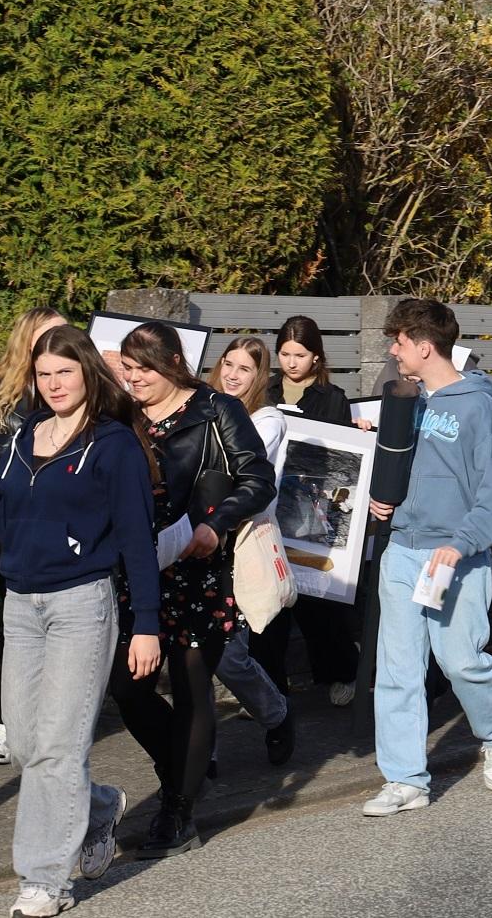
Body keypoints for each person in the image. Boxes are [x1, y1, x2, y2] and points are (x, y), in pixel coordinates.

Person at [0, 324, 162, 917]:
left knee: (59, 750)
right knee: (24, 746)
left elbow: (137, 539)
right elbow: (3, 518)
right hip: (22, 607)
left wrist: (146, 623)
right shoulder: (21, 438)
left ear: (88, 372)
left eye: (64, 371)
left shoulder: (112, 445)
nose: (54, 383)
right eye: (43, 373)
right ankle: (97, 807)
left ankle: (44, 881)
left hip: (81, 607)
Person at [110, 322, 276, 858]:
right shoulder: (121, 412)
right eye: (128, 370)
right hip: (136, 567)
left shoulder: (215, 410)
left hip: (195, 565)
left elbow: (258, 478)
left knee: (190, 686)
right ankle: (181, 768)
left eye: (144, 371)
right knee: (129, 689)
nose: (134, 380)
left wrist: (217, 523)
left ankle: (177, 809)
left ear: (173, 365)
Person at [362, 300, 492, 816]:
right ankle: (405, 779)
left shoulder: (477, 407)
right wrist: (384, 497)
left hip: (457, 558)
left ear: (424, 347)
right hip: (402, 551)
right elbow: (401, 471)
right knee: (398, 671)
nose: (393, 350)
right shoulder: (410, 403)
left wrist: (459, 544)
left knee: (462, 663)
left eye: (400, 342)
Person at [0, 306, 69, 769]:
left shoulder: (77, 392)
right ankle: (7, 725)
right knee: (23, 622)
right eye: (48, 337)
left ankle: (31, 722)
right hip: (14, 523)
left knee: (60, 620)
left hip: (66, 523)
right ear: (26, 342)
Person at [253, 316, 359, 711]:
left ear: (317, 357)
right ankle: (267, 690)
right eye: (284, 354)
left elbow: (341, 460)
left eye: (300, 355)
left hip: (311, 512)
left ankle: (342, 671)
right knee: (269, 602)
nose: (291, 362)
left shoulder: (332, 398)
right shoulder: (263, 390)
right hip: (266, 511)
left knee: (319, 604)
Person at [206, 337, 295, 767]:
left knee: (229, 657)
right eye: (228, 364)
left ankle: (276, 714)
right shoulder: (204, 407)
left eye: (244, 368)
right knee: (192, 657)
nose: (233, 374)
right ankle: (201, 755)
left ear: (260, 376)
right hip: (193, 542)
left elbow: (234, 472)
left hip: (238, 546)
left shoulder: (266, 419)